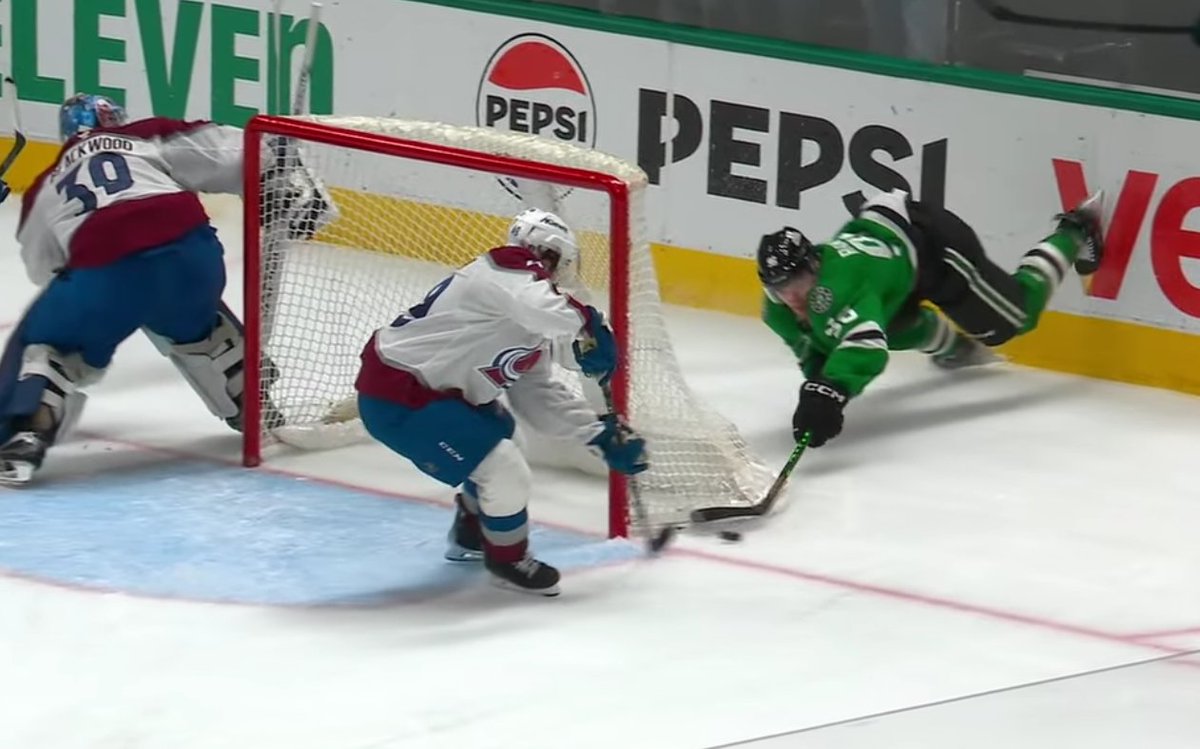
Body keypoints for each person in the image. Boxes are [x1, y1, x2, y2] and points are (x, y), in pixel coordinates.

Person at [0, 93, 312, 484]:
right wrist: (285, 182)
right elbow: (244, 148)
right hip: (192, 260)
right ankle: (248, 399)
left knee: (44, 339)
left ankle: (24, 430)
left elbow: (44, 269)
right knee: (202, 323)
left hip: (106, 277)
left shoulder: (44, 186)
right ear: (116, 119)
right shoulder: (144, 136)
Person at [354, 207, 648, 597]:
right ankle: (507, 559)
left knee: (507, 438)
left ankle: (472, 533)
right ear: (545, 253)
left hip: (430, 396)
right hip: (400, 396)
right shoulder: (503, 266)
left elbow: (537, 397)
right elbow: (550, 311)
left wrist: (597, 434)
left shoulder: (525, 315)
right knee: (504, 469)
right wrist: (589, 323)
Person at [758, 188, 1104, 448]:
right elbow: (812, 349)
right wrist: (820, 385)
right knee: (866, 325)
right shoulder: (779, 308)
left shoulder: (841, 286)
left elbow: (866, 350)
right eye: (780, 289)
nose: (791, 298)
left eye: (798, 283)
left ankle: (1076, 228)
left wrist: (831, 391)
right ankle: (954, 346)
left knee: (1012, 319)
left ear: (815, 268)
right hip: (890, 267)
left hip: (930, 246)